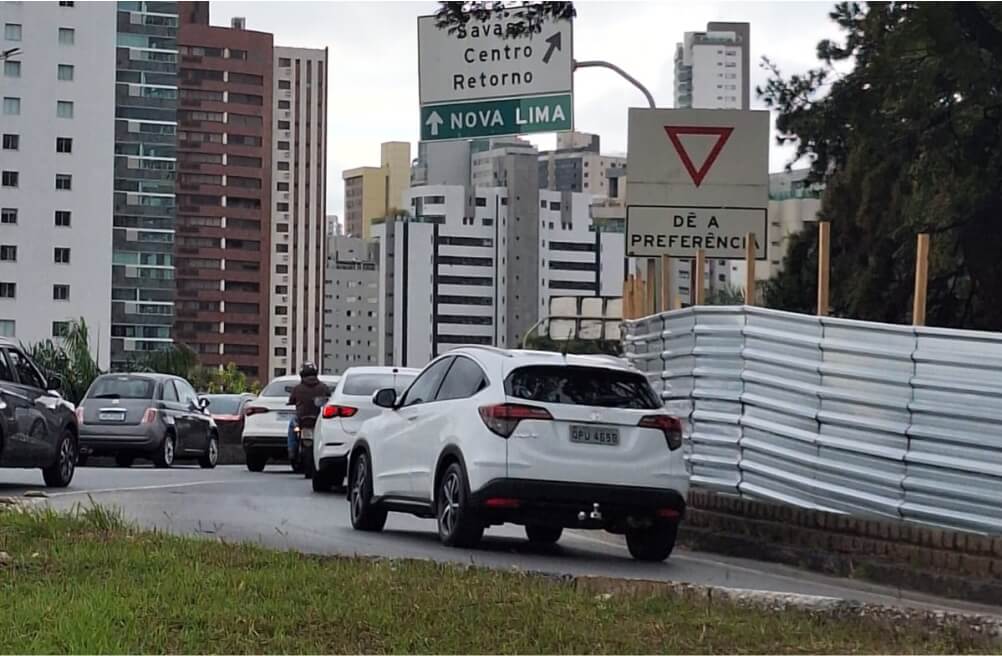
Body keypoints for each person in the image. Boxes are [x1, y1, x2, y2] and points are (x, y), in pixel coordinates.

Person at [286, 363, 331, 462]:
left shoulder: (297, 388)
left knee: (292, 426)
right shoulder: (323, 387)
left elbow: (291, 400)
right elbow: (329, 398)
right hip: (317, 418)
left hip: (301, 419)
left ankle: (291, 450)